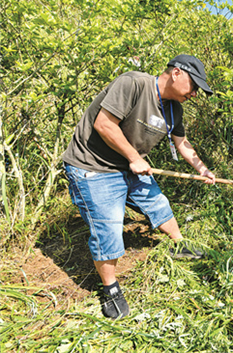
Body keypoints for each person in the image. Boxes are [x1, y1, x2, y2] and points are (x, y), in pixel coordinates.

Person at [62, 54, 216, 319]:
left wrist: (201, 168)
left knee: (159, 203)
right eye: (194, 86)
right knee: (108, 227)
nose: (194, 94)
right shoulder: (133, 84)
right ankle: (110, 288)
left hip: (129, 164)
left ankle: (179, 244)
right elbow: (103, 124)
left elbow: (182, 142)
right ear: (177, 73)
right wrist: (134, 157)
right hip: (93, 167)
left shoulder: (173, 108)